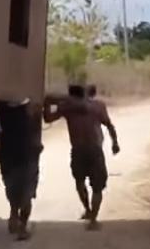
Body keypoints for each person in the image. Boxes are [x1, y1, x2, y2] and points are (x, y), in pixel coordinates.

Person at [43, 84, 119, 231]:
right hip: (94, 149)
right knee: (97, 186)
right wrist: (115, 143)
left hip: (79, 150)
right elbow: (109, 125)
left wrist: (47, 103)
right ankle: (93, 218)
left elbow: (48, 118)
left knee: (80, 182)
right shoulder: (97, 106)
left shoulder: (67, 107)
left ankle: (89, 210)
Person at [0, 98, 42, 241]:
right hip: (26, 155)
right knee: (26, 192)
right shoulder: (30, 108)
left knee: (12, 188)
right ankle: (22, 226)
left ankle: (14, 215)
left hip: (8, 155)